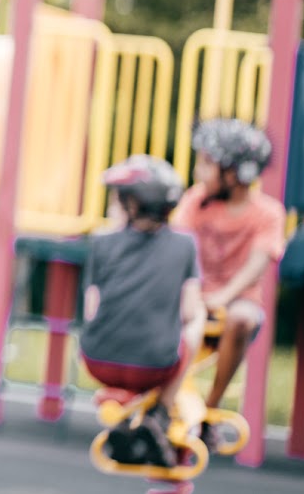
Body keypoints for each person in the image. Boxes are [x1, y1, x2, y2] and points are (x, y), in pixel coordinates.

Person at [81, 155, 206, 468]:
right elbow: (189, 310)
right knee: (198, 318)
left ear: (133, 204)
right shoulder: (185, 245)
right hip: (155, 367)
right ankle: (161, 410)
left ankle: (127, 419)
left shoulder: (101, 243)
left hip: (96, 361)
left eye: (117, 200)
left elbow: (91, 309)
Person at [172, 116, 282, 449]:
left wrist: (222, 296)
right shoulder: (196, 201)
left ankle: (211, 408)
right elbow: (177, 246)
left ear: (236, 174)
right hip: (194, 295)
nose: (197, 172)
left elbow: (257, 265)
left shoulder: (267, 213)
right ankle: (161, 400)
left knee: (243, 317)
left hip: (234, 300)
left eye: (206, 164)